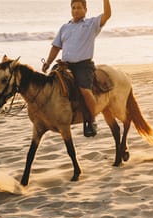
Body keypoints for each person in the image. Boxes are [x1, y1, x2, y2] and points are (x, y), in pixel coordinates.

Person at [43, 0, 112, 137]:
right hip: (64, 65)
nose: (75, 10)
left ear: (85, 9)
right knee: (49, 85)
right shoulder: (64, 27)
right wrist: (48, 62)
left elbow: (107, 14)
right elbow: (56, 46)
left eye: (79, 8)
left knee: (85, 91)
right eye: (73, 8)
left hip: (83, 66)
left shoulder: (91, 24)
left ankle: (91, 121)